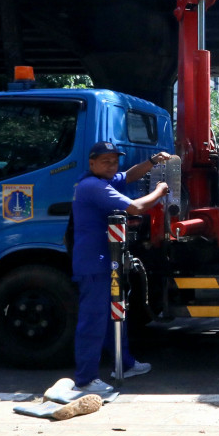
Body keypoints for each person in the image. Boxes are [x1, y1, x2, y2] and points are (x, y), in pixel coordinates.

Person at [70, 141, 171, 396]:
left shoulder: (102, 180)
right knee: (93, 321)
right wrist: (160, 191)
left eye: (114, 161)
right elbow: (136, 207)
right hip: (94, 264)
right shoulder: (93, 186)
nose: (111, 166)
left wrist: (151, 162)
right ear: (91, 163)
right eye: (105, 161)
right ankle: (85, 379)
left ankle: (124, 364)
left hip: (106, 260)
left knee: (113, 315)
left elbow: (127, 176)